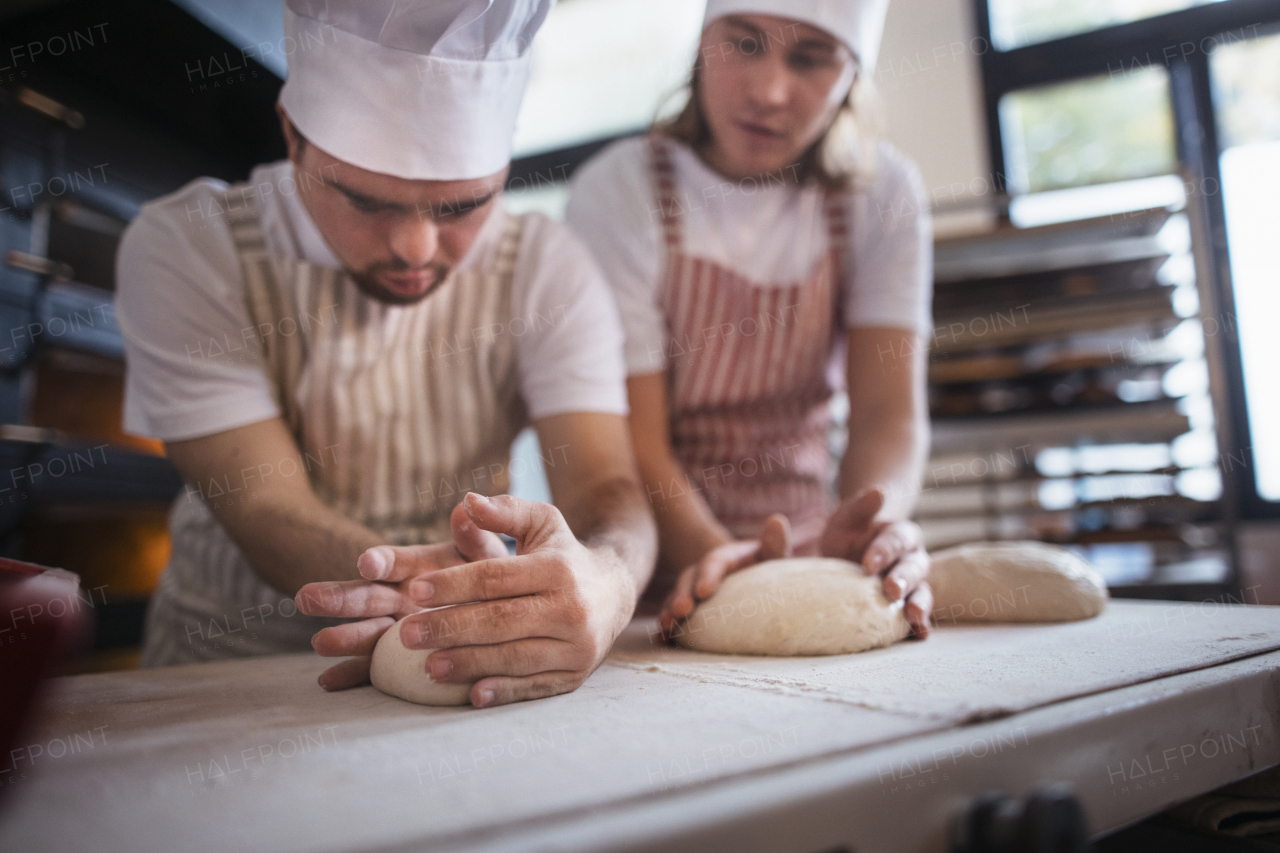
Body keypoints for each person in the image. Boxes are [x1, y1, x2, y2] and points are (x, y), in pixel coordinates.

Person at [116, 0, 657, 707]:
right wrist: (452, 601)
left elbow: (605, 488)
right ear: (293, 134)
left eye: (462, 207)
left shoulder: (546, 269)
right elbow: (265, 508)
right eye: (366, 201)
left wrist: (609, 579)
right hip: (224, 674)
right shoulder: (190, 246)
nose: (415, 248)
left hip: (458, 677)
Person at [565, 0, 934, 639]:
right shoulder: (620, 191)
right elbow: (637, 446)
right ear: (703, 41)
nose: (768, 92)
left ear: (852, 75)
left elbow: (890, 415)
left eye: (812, 60)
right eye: (744, 44)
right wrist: (727, 569)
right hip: (650, 571)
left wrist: (871, 525)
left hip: (816, 558)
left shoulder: (882, 194)